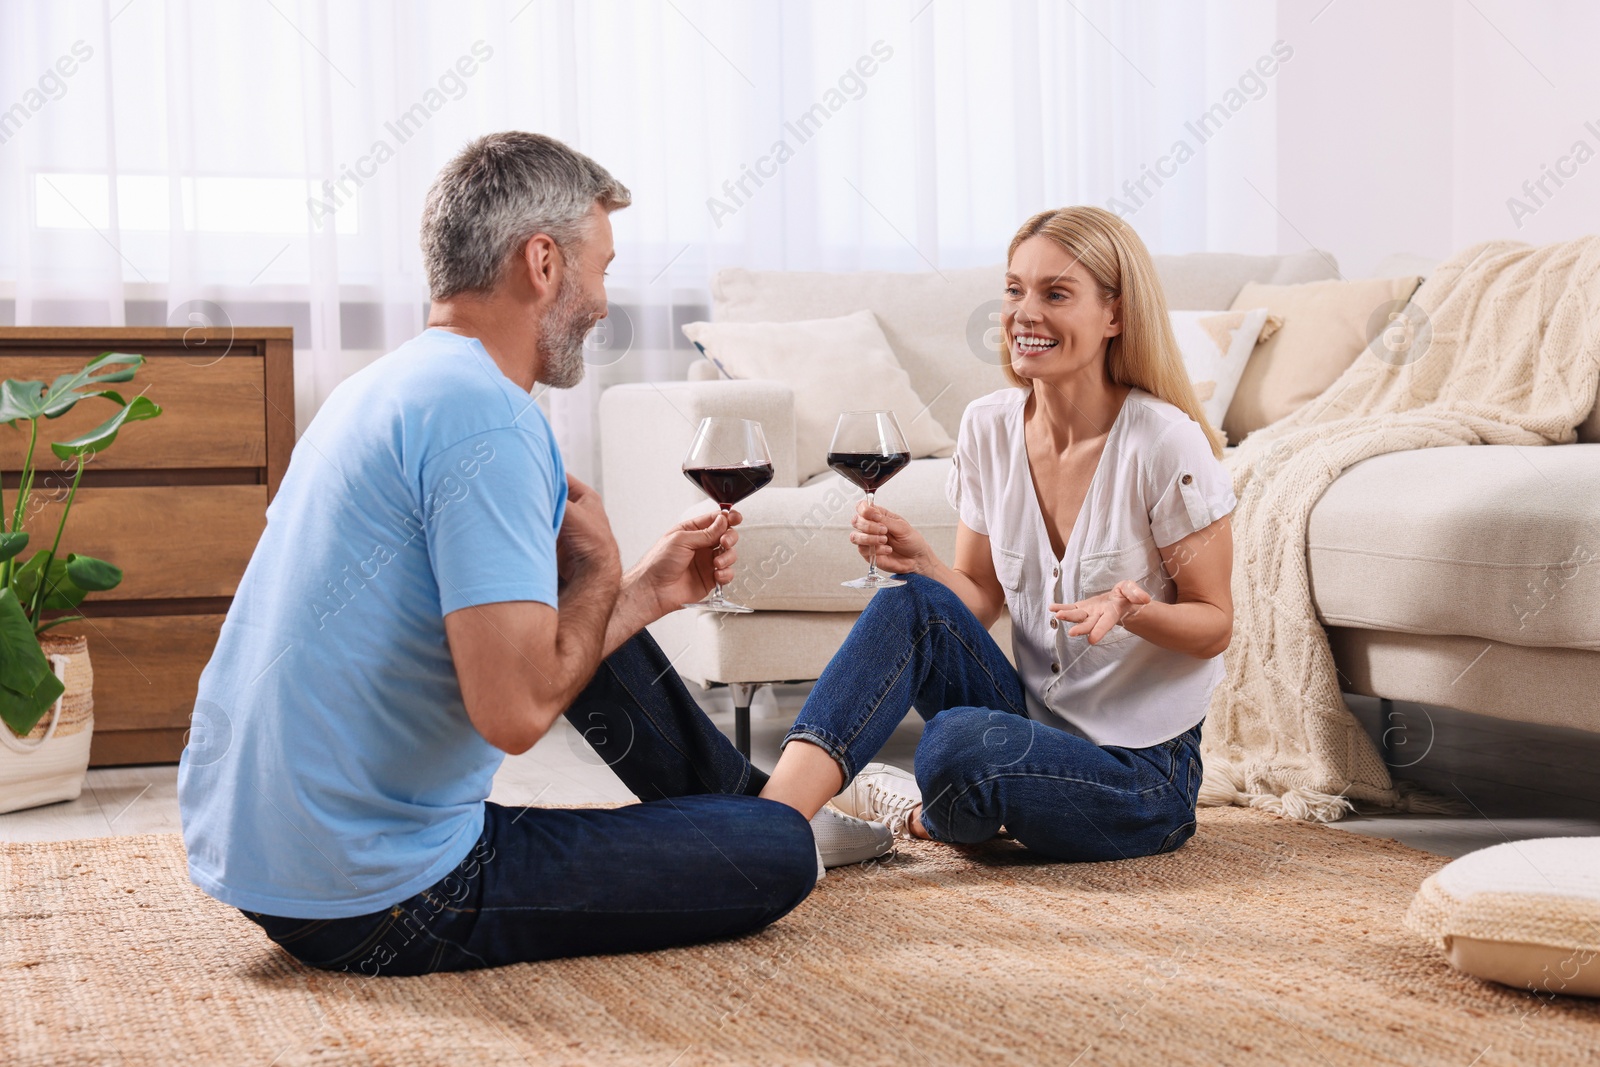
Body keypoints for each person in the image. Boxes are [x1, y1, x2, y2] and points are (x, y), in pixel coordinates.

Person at [176, 131, 890, 978]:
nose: (600, 300)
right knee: (775, 853)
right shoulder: (491, 418)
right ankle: (766, 818)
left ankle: (743, 803)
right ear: (543, 263)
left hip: (265, 864)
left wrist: (642, 592)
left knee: (578, 612)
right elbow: (513, 715)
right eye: (602, 268)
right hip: (386, 899)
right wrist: (597, 569)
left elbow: (526, 647)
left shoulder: (379, 387)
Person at [757, 205, 1236, 863]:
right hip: (1031, 726)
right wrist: (924, 563)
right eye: (1014, 290)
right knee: (908, 600)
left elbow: (1215, 622)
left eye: (1056, 293)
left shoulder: (1165, 442)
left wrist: (1136, 608)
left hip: (1143, 773)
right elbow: (978, 597)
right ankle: (771, 825)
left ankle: (936, 814)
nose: (1023, 312)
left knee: (959, 744)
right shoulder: (987, 426)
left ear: (1115, 315)